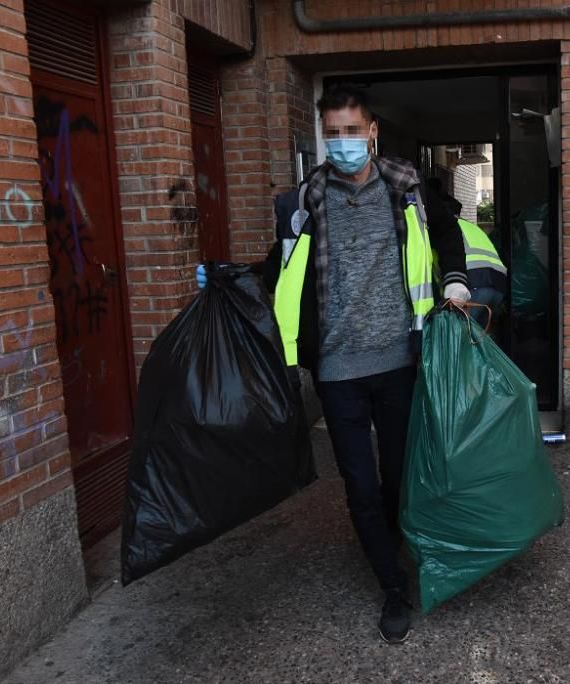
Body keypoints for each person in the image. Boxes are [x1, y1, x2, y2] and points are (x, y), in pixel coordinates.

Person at [196, 86, 470, 643]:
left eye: (352, 130)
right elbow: (280, 265)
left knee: (396, 475)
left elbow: (446, 232)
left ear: (372, 132)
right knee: (360, 484)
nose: (342, 143)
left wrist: (456, 280)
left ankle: (390, 539)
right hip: (337, 368)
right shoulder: (306, 199)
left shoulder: (407, 188)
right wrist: (232, 279)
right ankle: (393, 587)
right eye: (333, 133)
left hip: (398, 360)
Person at [424, 177, 506, 328]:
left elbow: (435, 270)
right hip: (499, 284)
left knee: (461, 339)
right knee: (481, 339)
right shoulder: (469, 226)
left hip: (472, 284)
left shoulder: (441, 232)